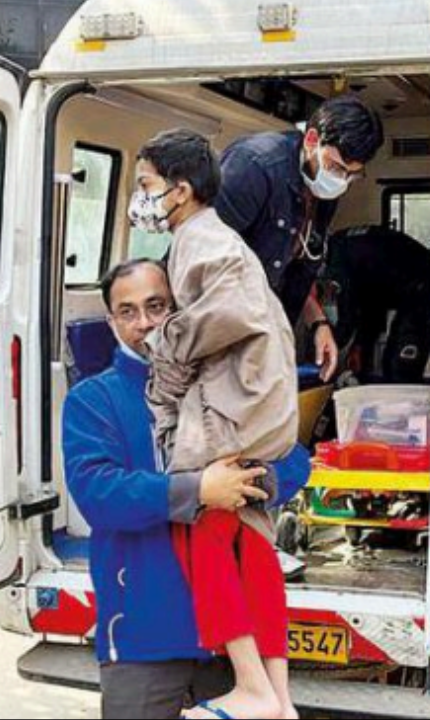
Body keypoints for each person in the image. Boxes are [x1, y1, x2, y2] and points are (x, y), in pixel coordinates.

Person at [63, 257, 311, 719]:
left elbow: (295, 457)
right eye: (128, 311)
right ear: (112, 321)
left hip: (234, 643)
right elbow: (100, 493)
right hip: (144, 639)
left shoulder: (227, 382)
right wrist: (200, 490)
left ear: (181, 308)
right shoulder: (94, 400)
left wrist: (255, 480)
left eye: (157, 306)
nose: (145, 324)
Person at [130, 127, 301, 720]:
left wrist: (166, 350)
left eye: (146, 186)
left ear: (179, 192)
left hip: (234, 408)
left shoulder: (198, 240)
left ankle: (252, 686)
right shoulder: (220, 240)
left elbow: (229, 313)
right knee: (250, 536)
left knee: (198, 522)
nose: (141, 198)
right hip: (260, 407)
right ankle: (278, 695)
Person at [215, 95, 385, 382]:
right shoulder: (254, 166)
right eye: (335, 167)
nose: (341, 180)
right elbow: (203, 261)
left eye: (351, 175)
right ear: (311, 139)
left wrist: (318, 322)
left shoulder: (322, 193)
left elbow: (295, 262)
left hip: (262, 333)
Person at [318, 225, 430, 383]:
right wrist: (359, 345)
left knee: (400, 365)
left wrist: (327, 347)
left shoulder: (338, 260)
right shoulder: (348, 245)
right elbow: (371, 304)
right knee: (397, 357)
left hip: (421, 286)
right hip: (421, 282)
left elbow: (349, 314)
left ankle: (403, 401)